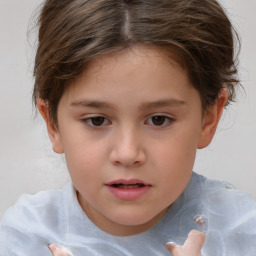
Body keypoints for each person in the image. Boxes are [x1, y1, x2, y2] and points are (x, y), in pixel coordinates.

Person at [0, 0, 255, 255]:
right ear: (53, 124)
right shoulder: (25, 238)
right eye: (97, 120)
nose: (127, 154)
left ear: (208, 118)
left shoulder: (240, 230)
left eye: (158, 120)